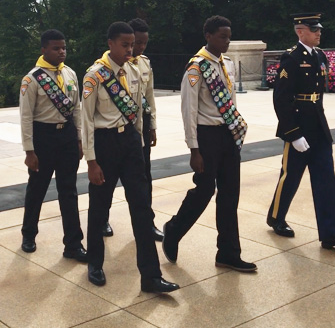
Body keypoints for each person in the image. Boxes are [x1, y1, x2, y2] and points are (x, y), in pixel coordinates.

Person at [81, 21, 179, 292]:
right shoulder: (95, 76)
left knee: (141, 206)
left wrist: (141, 136)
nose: (130, 49)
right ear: (110, 43)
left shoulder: (136, 70)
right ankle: (95, 263)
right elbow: (87, 121)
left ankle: (151, 276)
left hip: (130, 144)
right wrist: (91, 161)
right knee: (99, 206)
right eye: (124, 44)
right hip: (105, 145)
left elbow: (137, 108)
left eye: (132, 44)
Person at [162, 15, 257, 272]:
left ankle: (228, 252)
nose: (226, 41)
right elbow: (189, 111)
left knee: (230, 195)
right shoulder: (196, 68)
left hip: (227, 136)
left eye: (229, 36)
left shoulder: (227, 64)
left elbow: (231, 102)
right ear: (208, 36)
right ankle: (174, 229)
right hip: (206, 138)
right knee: (204, 192)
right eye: (222, 36)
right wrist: (194, 149)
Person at [267, 12, 335, 248]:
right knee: (291, 177)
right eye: (314, 30)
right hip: (299, 126)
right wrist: (294, 133)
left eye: (319, 29)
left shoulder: (319, 56)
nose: (319, 33)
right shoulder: (292, 58)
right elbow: (281, 99)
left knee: (326, 180)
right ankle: (276, 217)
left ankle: (329, 234)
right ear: (300, 32)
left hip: (318, 126)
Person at [19, 29, 87, 262]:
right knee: (37, 188)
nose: (61, 52)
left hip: (67, 136)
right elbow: (26, 117)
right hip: (43, 138)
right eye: (56, 48)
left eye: (64, 48)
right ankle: (28, 234)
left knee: (69, 190)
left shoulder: (69, 74)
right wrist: (29, 150)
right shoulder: (32, 79)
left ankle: (73, 244)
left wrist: (79, 139)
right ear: (44, 50)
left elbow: (76, 109)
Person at [101, 18, 164, 241]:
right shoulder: (108, 69)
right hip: (116, 127)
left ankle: (147, 222)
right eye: (136, 43)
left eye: (144, 44)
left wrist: (153, 125)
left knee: (143, 176)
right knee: (107, 180)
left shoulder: (144, 63)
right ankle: (102, 218)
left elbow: (150, 96)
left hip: (140, 123)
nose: (139, 48)